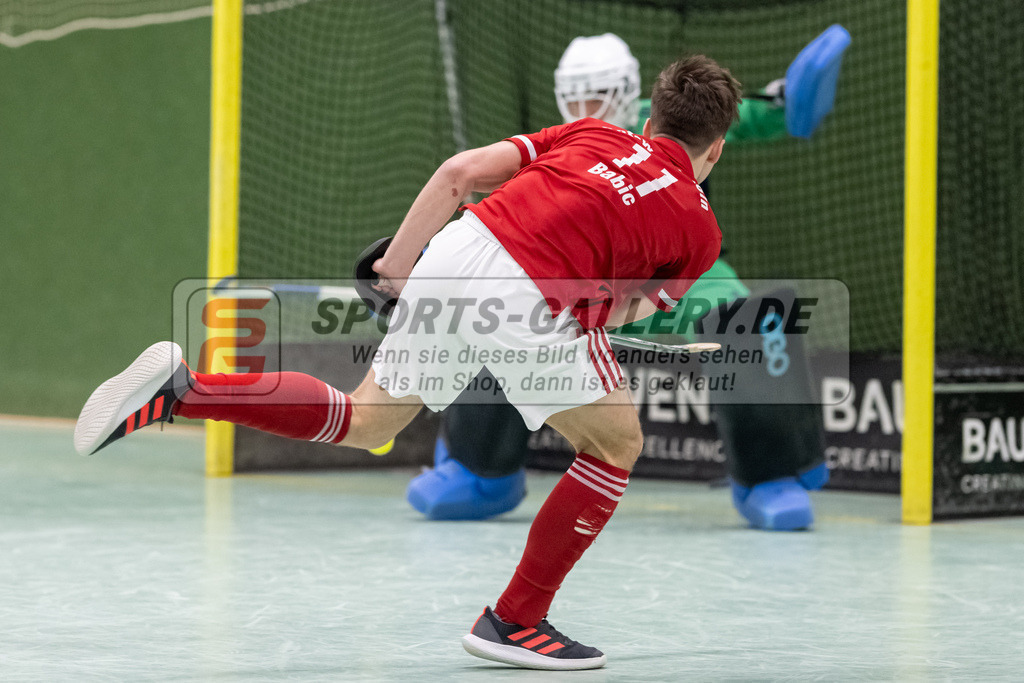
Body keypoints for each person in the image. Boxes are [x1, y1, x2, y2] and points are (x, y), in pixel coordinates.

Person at [75, 54, 742, 670]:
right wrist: (581, 318)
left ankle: (185, 391)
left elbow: (459, 174)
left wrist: (398, 268)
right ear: (714, 149)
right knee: (615, 443)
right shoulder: (698, 227)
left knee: (368, 418)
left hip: (460, 245)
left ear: (649, 119)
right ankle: (515, 619)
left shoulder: (592, 134)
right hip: (535, 289)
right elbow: (623, 308)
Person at [408, 30, 846, 529]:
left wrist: (786, 101)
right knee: (507, 315)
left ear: (629, 94)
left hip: (680, 276)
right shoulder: (565, 137)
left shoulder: (666, 119)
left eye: (595, 94)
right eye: (573, 95)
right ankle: (477, 469)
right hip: (582, 278)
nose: (583, 106)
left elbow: (735, 122)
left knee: (747, 321)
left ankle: (773, 474)